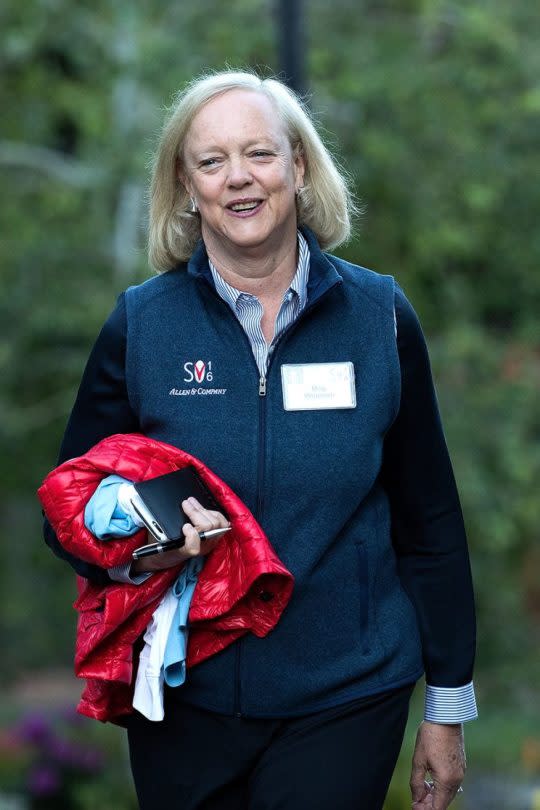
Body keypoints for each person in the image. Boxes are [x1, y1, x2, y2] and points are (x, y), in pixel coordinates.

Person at [44, 69, 477, 810]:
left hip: (348, 688)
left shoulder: (380, 316)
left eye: (261, 154)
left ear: (300, 168)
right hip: (185, 693)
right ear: (186, 186)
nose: (238, 178)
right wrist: (150, 544)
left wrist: (447, 706)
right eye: (211, 162)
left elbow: (430, 519)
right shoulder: (141, 325)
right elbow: (69, 512)